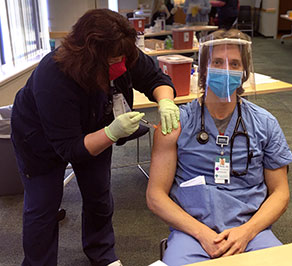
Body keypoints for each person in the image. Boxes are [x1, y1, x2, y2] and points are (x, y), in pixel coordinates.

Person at [11, 8, 179, 266]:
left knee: (99, 194)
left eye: (124, 57)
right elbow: (70, 149)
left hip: (94, 127)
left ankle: (102, 253)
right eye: (114, 60)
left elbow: (156, 78)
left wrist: (166, 102)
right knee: (43, 207)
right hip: (39, 140)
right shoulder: (53, 76)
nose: (122, 65)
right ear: (89, 57)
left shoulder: (122, 53)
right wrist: (112, 133)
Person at [146, 28, 292, 266]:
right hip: (192, 232)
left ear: (244, 73)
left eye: (234, 64)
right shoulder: (177, 123)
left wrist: (246, 231)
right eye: (217, 62)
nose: (226, 70)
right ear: (203, 68)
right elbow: (155, 196)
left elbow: (280, 193)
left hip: (252, 230)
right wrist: (201, 233)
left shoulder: (265, 123)